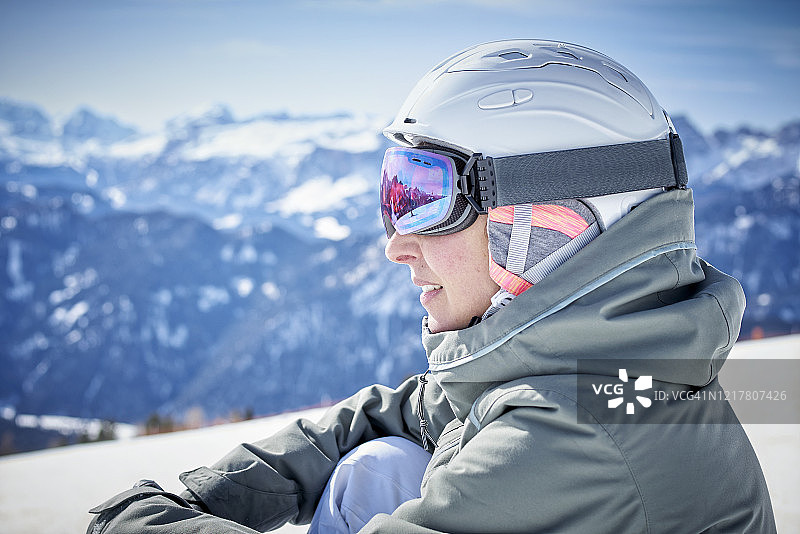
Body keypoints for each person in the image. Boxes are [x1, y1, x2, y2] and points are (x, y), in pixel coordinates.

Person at [87, 39, 776, 533]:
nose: (395, 244)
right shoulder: (608, 373)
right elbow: (409, 413)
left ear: (546, 226)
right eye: (396, 190)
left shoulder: (572, 439)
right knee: (378, 464)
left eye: (425, 196)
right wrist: (215, 495)